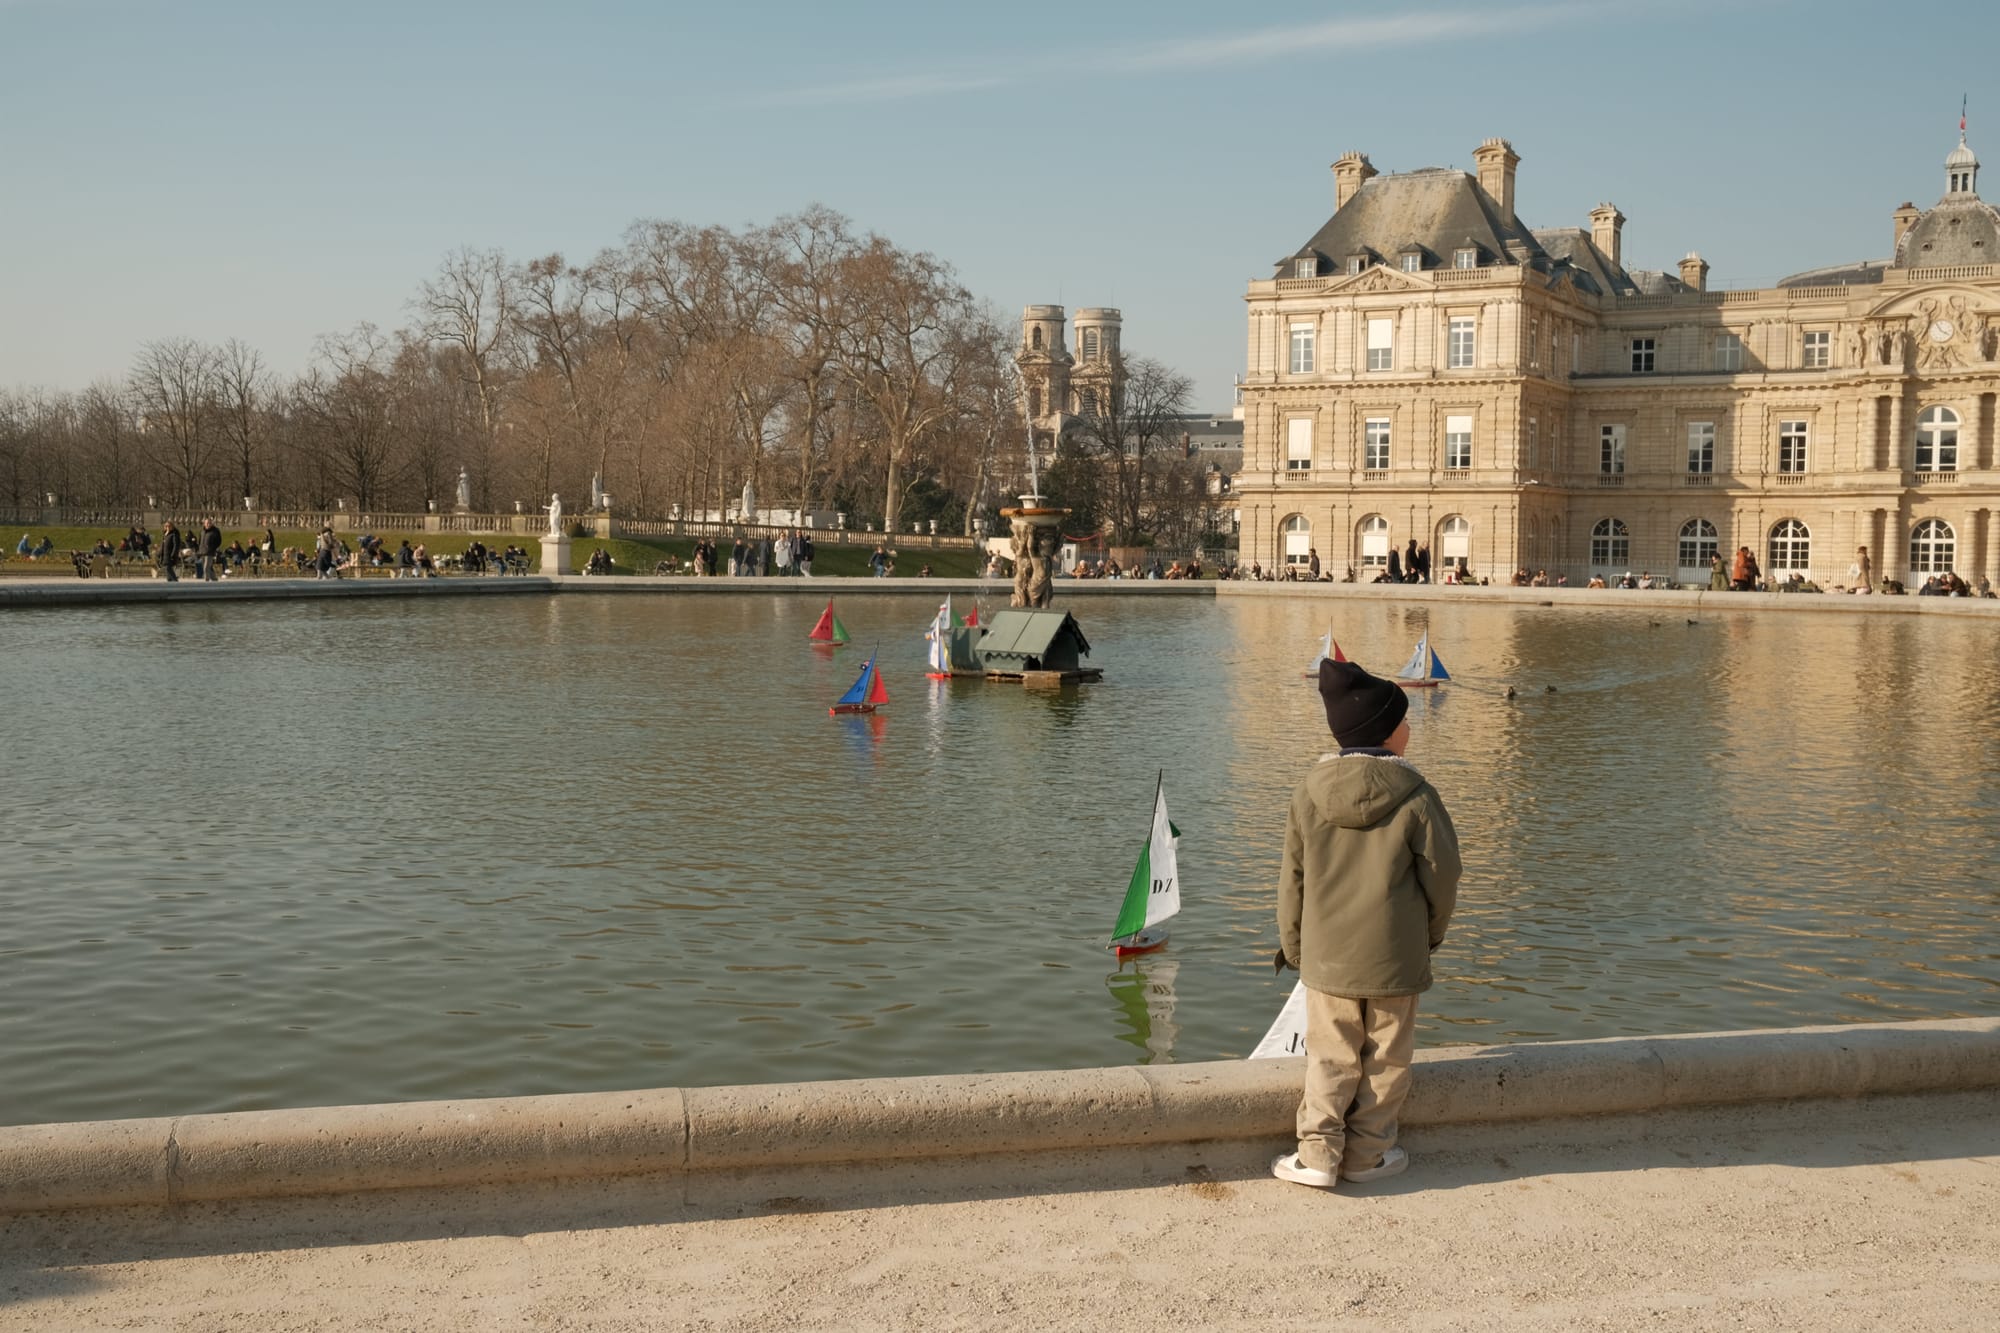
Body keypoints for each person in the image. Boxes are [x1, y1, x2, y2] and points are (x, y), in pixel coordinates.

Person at [1271, 659, 1462, 1190]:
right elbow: (1443, 877)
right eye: (1404, 721)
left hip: (1327, 956)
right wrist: (1430, 937)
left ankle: (1317, 1155)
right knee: (1387, 1058)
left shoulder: (1307, 792)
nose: (1411, 728)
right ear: (1385, 732)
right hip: (1397, 955)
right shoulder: (1418, 796)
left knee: (1329, 1055)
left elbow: (1292, 881)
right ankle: (1369, 1155)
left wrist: (1295, 948)